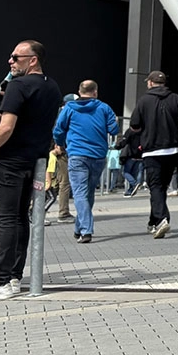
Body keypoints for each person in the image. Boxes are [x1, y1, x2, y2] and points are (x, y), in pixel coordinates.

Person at [0, 40, 63, 300]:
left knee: (5, 220)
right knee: (19, 218)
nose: (10, 61)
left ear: (33, 59)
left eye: (16, 57)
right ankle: (14, 278)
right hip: (33, 160)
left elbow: (6, 128)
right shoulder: (51, 86)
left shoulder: (18, 85)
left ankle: (1, 281)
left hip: (9, 161)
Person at [128, 72, 178, 238]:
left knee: (155, 187)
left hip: (151, 151)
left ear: (150, 83)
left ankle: (162, 219)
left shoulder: (143, 101)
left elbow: (134, 125)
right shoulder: (176, 99)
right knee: (161, 187)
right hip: (173, 151)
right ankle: (153, 222)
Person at [52, 79, 119, 243]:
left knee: (80, 193)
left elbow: (58, 129)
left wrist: (60, 143)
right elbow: (114, 130)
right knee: (88, 192)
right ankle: (79, 227)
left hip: (77, 155)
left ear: (79, 91)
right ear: (95, 92)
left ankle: (86, 230)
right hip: (98, 156)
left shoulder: (69, 108)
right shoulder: (104, 108)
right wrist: (114, 122)